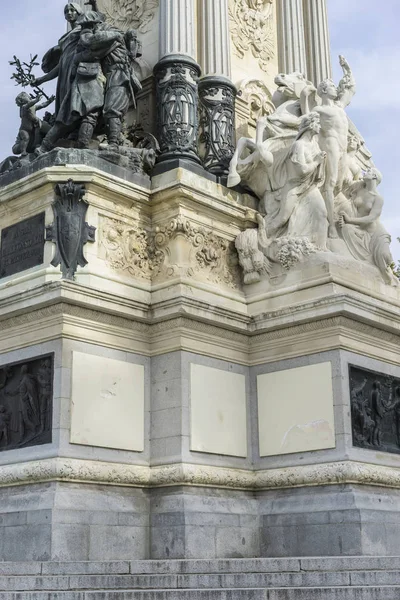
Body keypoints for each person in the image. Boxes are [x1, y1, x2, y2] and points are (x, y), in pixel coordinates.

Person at [302, 56, 356, 239]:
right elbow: (305, 122)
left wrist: (347, 70)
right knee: (330, 183)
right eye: (332, 86)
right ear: (324, 91)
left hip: (343, 148)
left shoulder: (339, 106)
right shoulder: (319, 111)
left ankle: (331, 218)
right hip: (331, 144)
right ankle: (329, 225)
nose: (336, 88)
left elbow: (350, 90)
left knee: (339, 185)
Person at [77, 11, 142, 149]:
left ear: (96, 25)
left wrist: (86, 33)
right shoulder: (107, 40)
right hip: (111, 76)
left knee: (112, 110)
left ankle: (113, 144)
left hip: (120, 76)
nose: (85, 29)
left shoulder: (112, 36)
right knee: (103, 110)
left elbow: (91, 42)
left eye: (88, 26)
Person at [338, 169, 398, 286]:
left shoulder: (378, 199)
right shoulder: (359, 187)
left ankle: (390, 278)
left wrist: (350, 220)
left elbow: (371, 218)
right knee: (346, 230)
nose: (365, 172)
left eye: (369, 172)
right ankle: (365, 265)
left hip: (376, 233)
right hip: (358, 228)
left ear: (374, 177)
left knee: (385, 256)